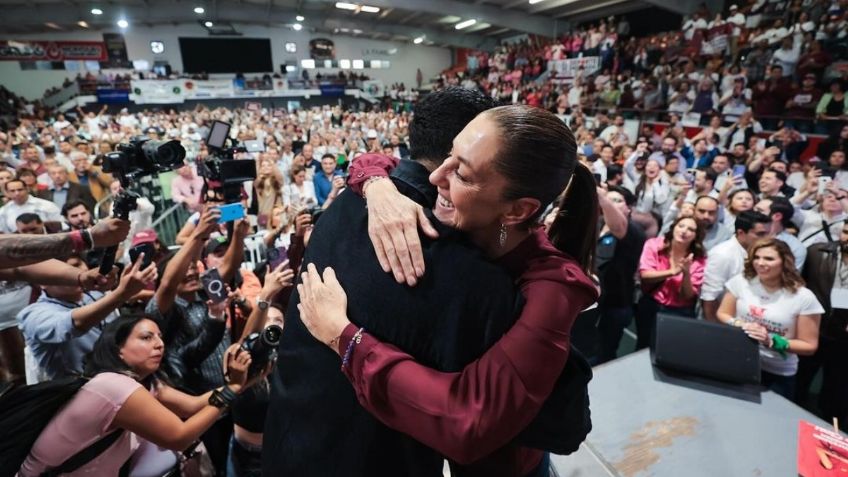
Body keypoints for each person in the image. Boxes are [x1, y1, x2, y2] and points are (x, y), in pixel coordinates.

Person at [263, 89, 590, 477]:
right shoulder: (407, 209)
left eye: (462, 172)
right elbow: (396, 165)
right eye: (448, 155)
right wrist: (373, 178)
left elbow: (542, 422)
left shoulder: (539, 287)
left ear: (519, 210)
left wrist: (344, 337)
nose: (437, 177)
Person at [18, 314, 264, 476]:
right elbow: (179, 437)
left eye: (159, 337)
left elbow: (193, 406)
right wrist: (231, 390)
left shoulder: (144, 385)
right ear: (119, 350)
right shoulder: (113, 387)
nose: (159, 344)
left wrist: (243, 382)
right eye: (147, 338)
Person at [17, 254, 156, 381]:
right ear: (42, 281)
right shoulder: (32, 314)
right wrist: (120, 294)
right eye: (62, 270)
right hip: (79, 391)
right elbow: (75, 323)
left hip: (123, 375)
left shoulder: (96, 294)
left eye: (76, 265)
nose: (73, 274)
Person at [716, 238, 823, 399]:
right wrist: (740, 324)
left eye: (769, 259)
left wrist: (771, 340)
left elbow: (809, 346)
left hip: (777, 372)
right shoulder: (742, 281)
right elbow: (723, 313)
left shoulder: (804, 298)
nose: (760, 263)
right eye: (757, 257)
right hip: (738, 361)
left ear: (784, 262)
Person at [798, 222, 848, 425]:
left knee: (838, 387)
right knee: (801, 378)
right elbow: (799, 286)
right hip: (813, 328)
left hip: (844, 337)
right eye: (845, 232)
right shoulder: (817, 252)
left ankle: (831, 428)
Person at [636, 216, 707, 349]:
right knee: (643, 347)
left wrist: (685, 273)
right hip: (652, 305)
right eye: (681, 226)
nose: (684, 231)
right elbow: (645, 275)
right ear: (674, 227)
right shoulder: (654, 245)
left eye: (691, 229)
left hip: (680, 312)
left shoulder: (699, 260)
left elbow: (688, 296)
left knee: (669, 350)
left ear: (696, 236)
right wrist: (673, 272)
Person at [596, 186, 646, 363]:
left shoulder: (633, 231)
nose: (612, 203)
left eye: (618, 200)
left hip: (616, 301)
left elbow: (618, 226)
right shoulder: (597, 224)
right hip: (592, 299)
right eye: (610, 199)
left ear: (628, 208)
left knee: (605, 350)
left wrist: (602, 197)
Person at [701, 210, 772, 321]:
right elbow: (709, 297)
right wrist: (715, 328)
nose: (767, 239)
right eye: (761, 234)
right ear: (741, 233)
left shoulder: (763, 252)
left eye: (768, 233)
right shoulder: (723, 255)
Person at [754, 196, 807, 269]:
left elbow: (789, 277)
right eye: (753, 209)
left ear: (777, 216)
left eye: (759, 211)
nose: (752, 213)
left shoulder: (794, 247)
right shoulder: (747, 233)